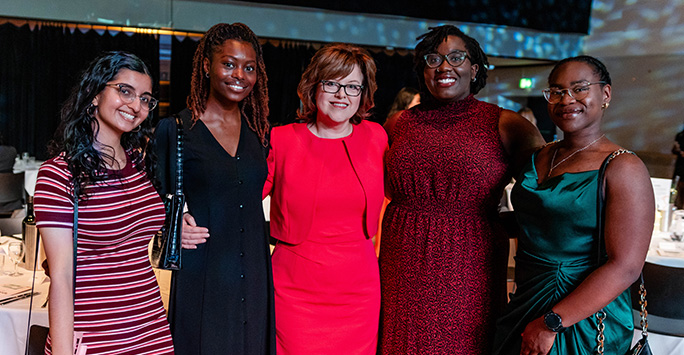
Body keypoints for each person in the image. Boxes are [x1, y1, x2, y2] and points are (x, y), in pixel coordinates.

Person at [378, 25, 544, 354]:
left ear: (475, 68)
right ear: (421, 69)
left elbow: (547, 192)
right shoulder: (399, 123)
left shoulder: (505, 124)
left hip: (469, 264)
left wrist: (507, 223)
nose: (444, 67)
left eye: (456, 57)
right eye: (433, 58)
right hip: (401, 261)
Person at [492, 56, 655, 355]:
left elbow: (626, 267)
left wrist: (553, 322)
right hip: (525, 300)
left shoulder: (623, 167)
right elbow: (540, 222)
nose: (567, 99)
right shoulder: (536, 157)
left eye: (579, 89)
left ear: (605, 94)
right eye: (556, 91)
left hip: (581, 315)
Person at [34, 51, 174, 354]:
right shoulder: (59, 174)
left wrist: (180, 225)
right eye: (125, 91)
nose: (136, 105)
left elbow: (144, 226)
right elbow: (60, 278)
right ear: (95, 94)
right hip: (94, 338)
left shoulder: (140, 163)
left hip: (151, 331)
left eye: (145, 98)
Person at [154, 23, 274, 354]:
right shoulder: (176, 130)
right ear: (207, 66)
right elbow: (146, 200)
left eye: (249, 67)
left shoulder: (259, 133)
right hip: (202, 277)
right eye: (229, 63)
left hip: (254, 274)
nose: (240, 75)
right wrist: (172, 224)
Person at [263, 43, 386, 354]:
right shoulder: (280, 139)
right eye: (332, 83)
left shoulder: (378, 138)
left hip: (359, 292)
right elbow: (241, 199)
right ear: (313, 86)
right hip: (293, 291)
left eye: (352, 86)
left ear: (363, 93)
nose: (342, 94)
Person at [672, 127, 684, 208]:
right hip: (680, 166)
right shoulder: (680, 135)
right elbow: (673, 150)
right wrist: (678, 150)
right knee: (678, 189)